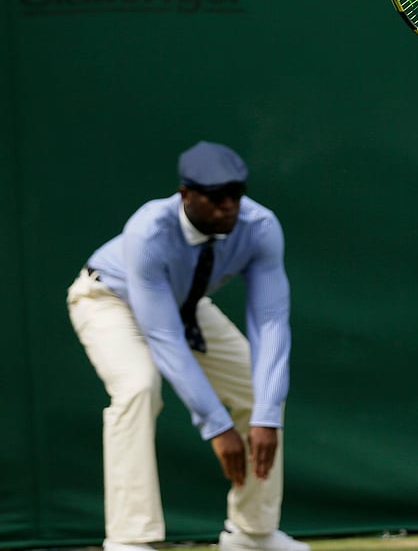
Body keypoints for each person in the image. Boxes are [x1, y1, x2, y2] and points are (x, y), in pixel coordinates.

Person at [66, 141, 308, 551]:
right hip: (109, 299)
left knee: (260, 389)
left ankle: (251, 535)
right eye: (216, 198)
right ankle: (128, 540)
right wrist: (216, 425)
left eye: (236, 195)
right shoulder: (148, 230)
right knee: (138, 388)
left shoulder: (260, 225)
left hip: (185, 306)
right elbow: (163, 338)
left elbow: (270, 321)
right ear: (185, 195)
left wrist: (266, 416)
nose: (229, 207)